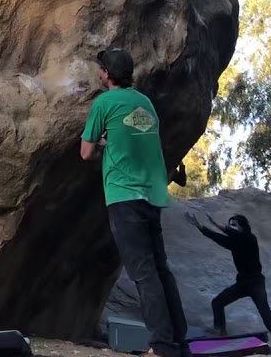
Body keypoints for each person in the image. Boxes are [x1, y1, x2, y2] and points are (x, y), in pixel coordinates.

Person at [81, 48, 190, 357]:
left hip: (123, 195)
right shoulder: (146, 105)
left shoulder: (104, 103)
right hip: (151, 195)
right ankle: (178, 340)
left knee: (143, 273)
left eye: (101, 69)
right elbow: (136, 137)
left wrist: (102, 144)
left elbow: (86, 153)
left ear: (106, 75)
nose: (100, 73)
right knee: (159, 268)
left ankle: (161, 346)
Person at [185, 212, 271, 347]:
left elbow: (236, 235)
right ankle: (220, 332)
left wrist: (216, 223)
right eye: (230, 225)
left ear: (243, 226)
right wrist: (199, 226)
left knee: (264, 311)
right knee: (217, 302)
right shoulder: (233, 243)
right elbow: (216, 237)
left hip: (256, 282)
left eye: (234, 225)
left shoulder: (250, 239)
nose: (231, 227)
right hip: (242, 283)